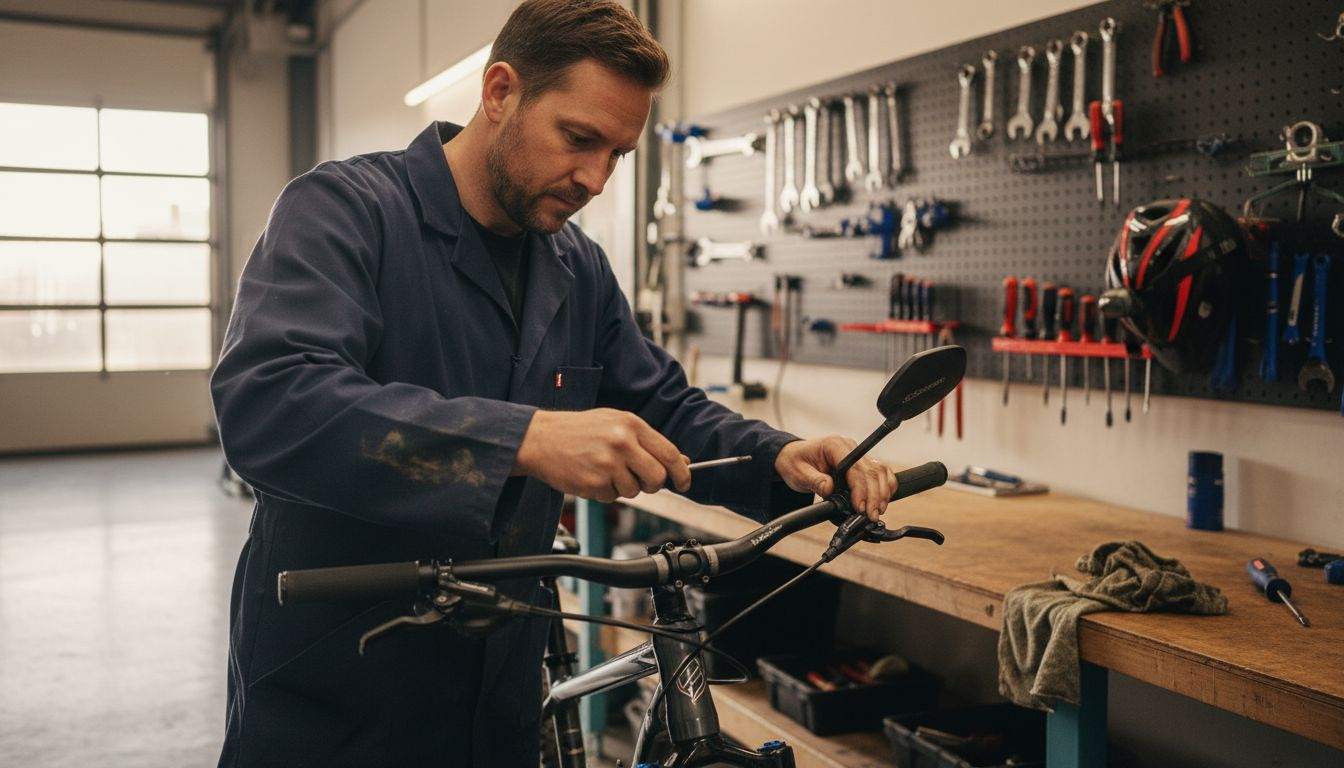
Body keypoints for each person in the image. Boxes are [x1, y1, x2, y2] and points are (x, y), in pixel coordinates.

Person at [210, 1, 899, 765]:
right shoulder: (344, 212)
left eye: (617, 154)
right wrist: (526, 439)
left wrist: (779, 456)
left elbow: (661, 403)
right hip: (343, 683)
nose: (596, 178)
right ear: (500, 92)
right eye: (579, 139)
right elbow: (270, 403)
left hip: (500, 692)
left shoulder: (576, 268)